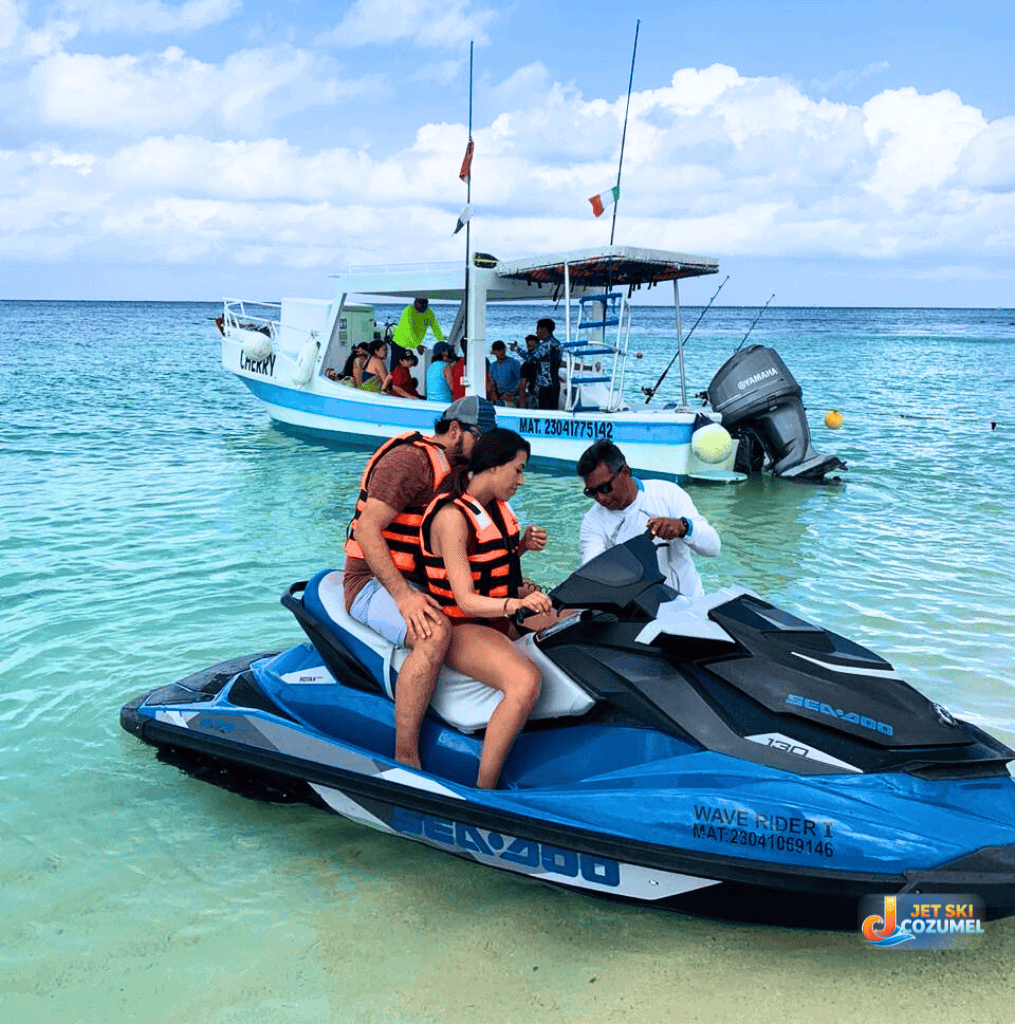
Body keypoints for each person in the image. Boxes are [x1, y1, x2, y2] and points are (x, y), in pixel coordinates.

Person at [344, 396, 498, 770]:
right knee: (434, 633)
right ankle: (405, 758)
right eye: (482, 439)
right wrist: (404, 598)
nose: (486, 450)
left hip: (419, 580)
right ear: (456, 430)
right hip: (370, 582)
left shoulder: (456, 471)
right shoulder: (410, 462)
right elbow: (367, 531)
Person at [420, 428, 551, 788]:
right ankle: (486, 790)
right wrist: (516, 604)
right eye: (518, 469)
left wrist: (521, 547)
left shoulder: (494, 510)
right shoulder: (452, 517)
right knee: (525, 682)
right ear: (493, 467)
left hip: (495, 617)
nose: (521, 480)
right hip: (461, 625)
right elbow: (465, 598)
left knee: (573, 623)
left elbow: (491, 564)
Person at [576, 439, 721, 598]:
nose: (601, 498)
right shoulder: (592, 521)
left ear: (625, 472)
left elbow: (713, 548)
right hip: (638, 612)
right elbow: (592, 571)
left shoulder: (669, 494)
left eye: (605, 488)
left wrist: (684, 528)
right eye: (592, 492)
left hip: (688, 603)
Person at [520, 319, 561, 410]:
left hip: (545, 386)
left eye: (537, 329)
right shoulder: (557, 343)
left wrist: (517, 349)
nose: (536, 332)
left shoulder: (544, 345)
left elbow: (531, 358)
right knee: (553, 410)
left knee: (543, 411)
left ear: (543, 330)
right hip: (555, 383)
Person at [486, 341, 522, 406]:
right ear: (493, 352)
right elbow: (492, 383)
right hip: (499, 396)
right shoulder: (492, 366)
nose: (501, 352)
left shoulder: (514, 363)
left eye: (502, 349)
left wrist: (511, 394)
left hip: (512, 395)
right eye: (498, 350)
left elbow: (521, 381)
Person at [517, 334, 539, 407]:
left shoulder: (547, 361)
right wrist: (522, 405)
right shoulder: (526, 366)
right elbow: (522, 387)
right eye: (530, 347)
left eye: (534, 347)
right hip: (537, 394)